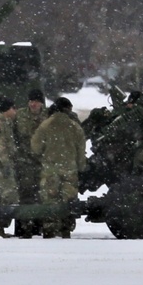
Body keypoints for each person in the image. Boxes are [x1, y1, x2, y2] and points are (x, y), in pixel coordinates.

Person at [31, 96, 87, 239]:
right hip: (70, 170)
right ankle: (65, 229)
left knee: (50, 200)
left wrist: (44, 159)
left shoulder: (45, 125)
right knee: (68, 201)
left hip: (50, 170)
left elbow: (35, 148)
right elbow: (81, 152)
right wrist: (80, 167)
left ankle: (49, 229)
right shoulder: (75, 127)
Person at [13, 89, 46, 238]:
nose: (33, 104)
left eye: (36, 101)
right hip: (24, 160)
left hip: (42, 161)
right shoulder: (19, 115)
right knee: (25, 194)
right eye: (31, 101)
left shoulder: (48, 115)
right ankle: (23, 227)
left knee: (41, 195)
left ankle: (38, 226)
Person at [0, 97, 20, 238]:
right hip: (0, 166)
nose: (15, 111)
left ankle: (0, 227)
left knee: (9, 197)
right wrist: (5, 163)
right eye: (13, 108)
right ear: (8, 109)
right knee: (9, 196)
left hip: (5, 164)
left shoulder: (6, 122)